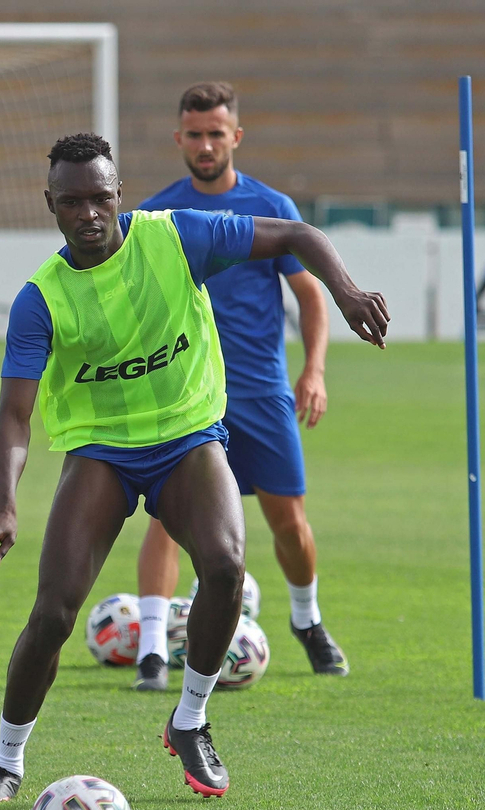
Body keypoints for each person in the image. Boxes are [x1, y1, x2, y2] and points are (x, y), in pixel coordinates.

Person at [0, 132, 387, 802]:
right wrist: (4, 504)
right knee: (52, 612)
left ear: (119, 195)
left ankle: (190, 719)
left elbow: (295, 232)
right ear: (49, 203)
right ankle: (6, 758)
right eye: (72, 200)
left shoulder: (176, 237)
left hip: (188, 437)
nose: (88, 212)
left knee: (226, 563)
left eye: (100, 197)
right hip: (101, 450)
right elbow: (14, 416)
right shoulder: (41, 299)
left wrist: (344, 292)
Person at [131, 82, 347, 694]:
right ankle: (151, 650)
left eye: (215, 133)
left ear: (235, 137)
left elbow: (310, 296)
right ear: (179, 139)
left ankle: (307, 620)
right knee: (167, 522)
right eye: (194, 134)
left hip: (260, 391)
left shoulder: (269, 203)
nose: (205, 144)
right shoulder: (158, 214)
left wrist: (314, 370)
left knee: (288, 523)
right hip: (187, 397)